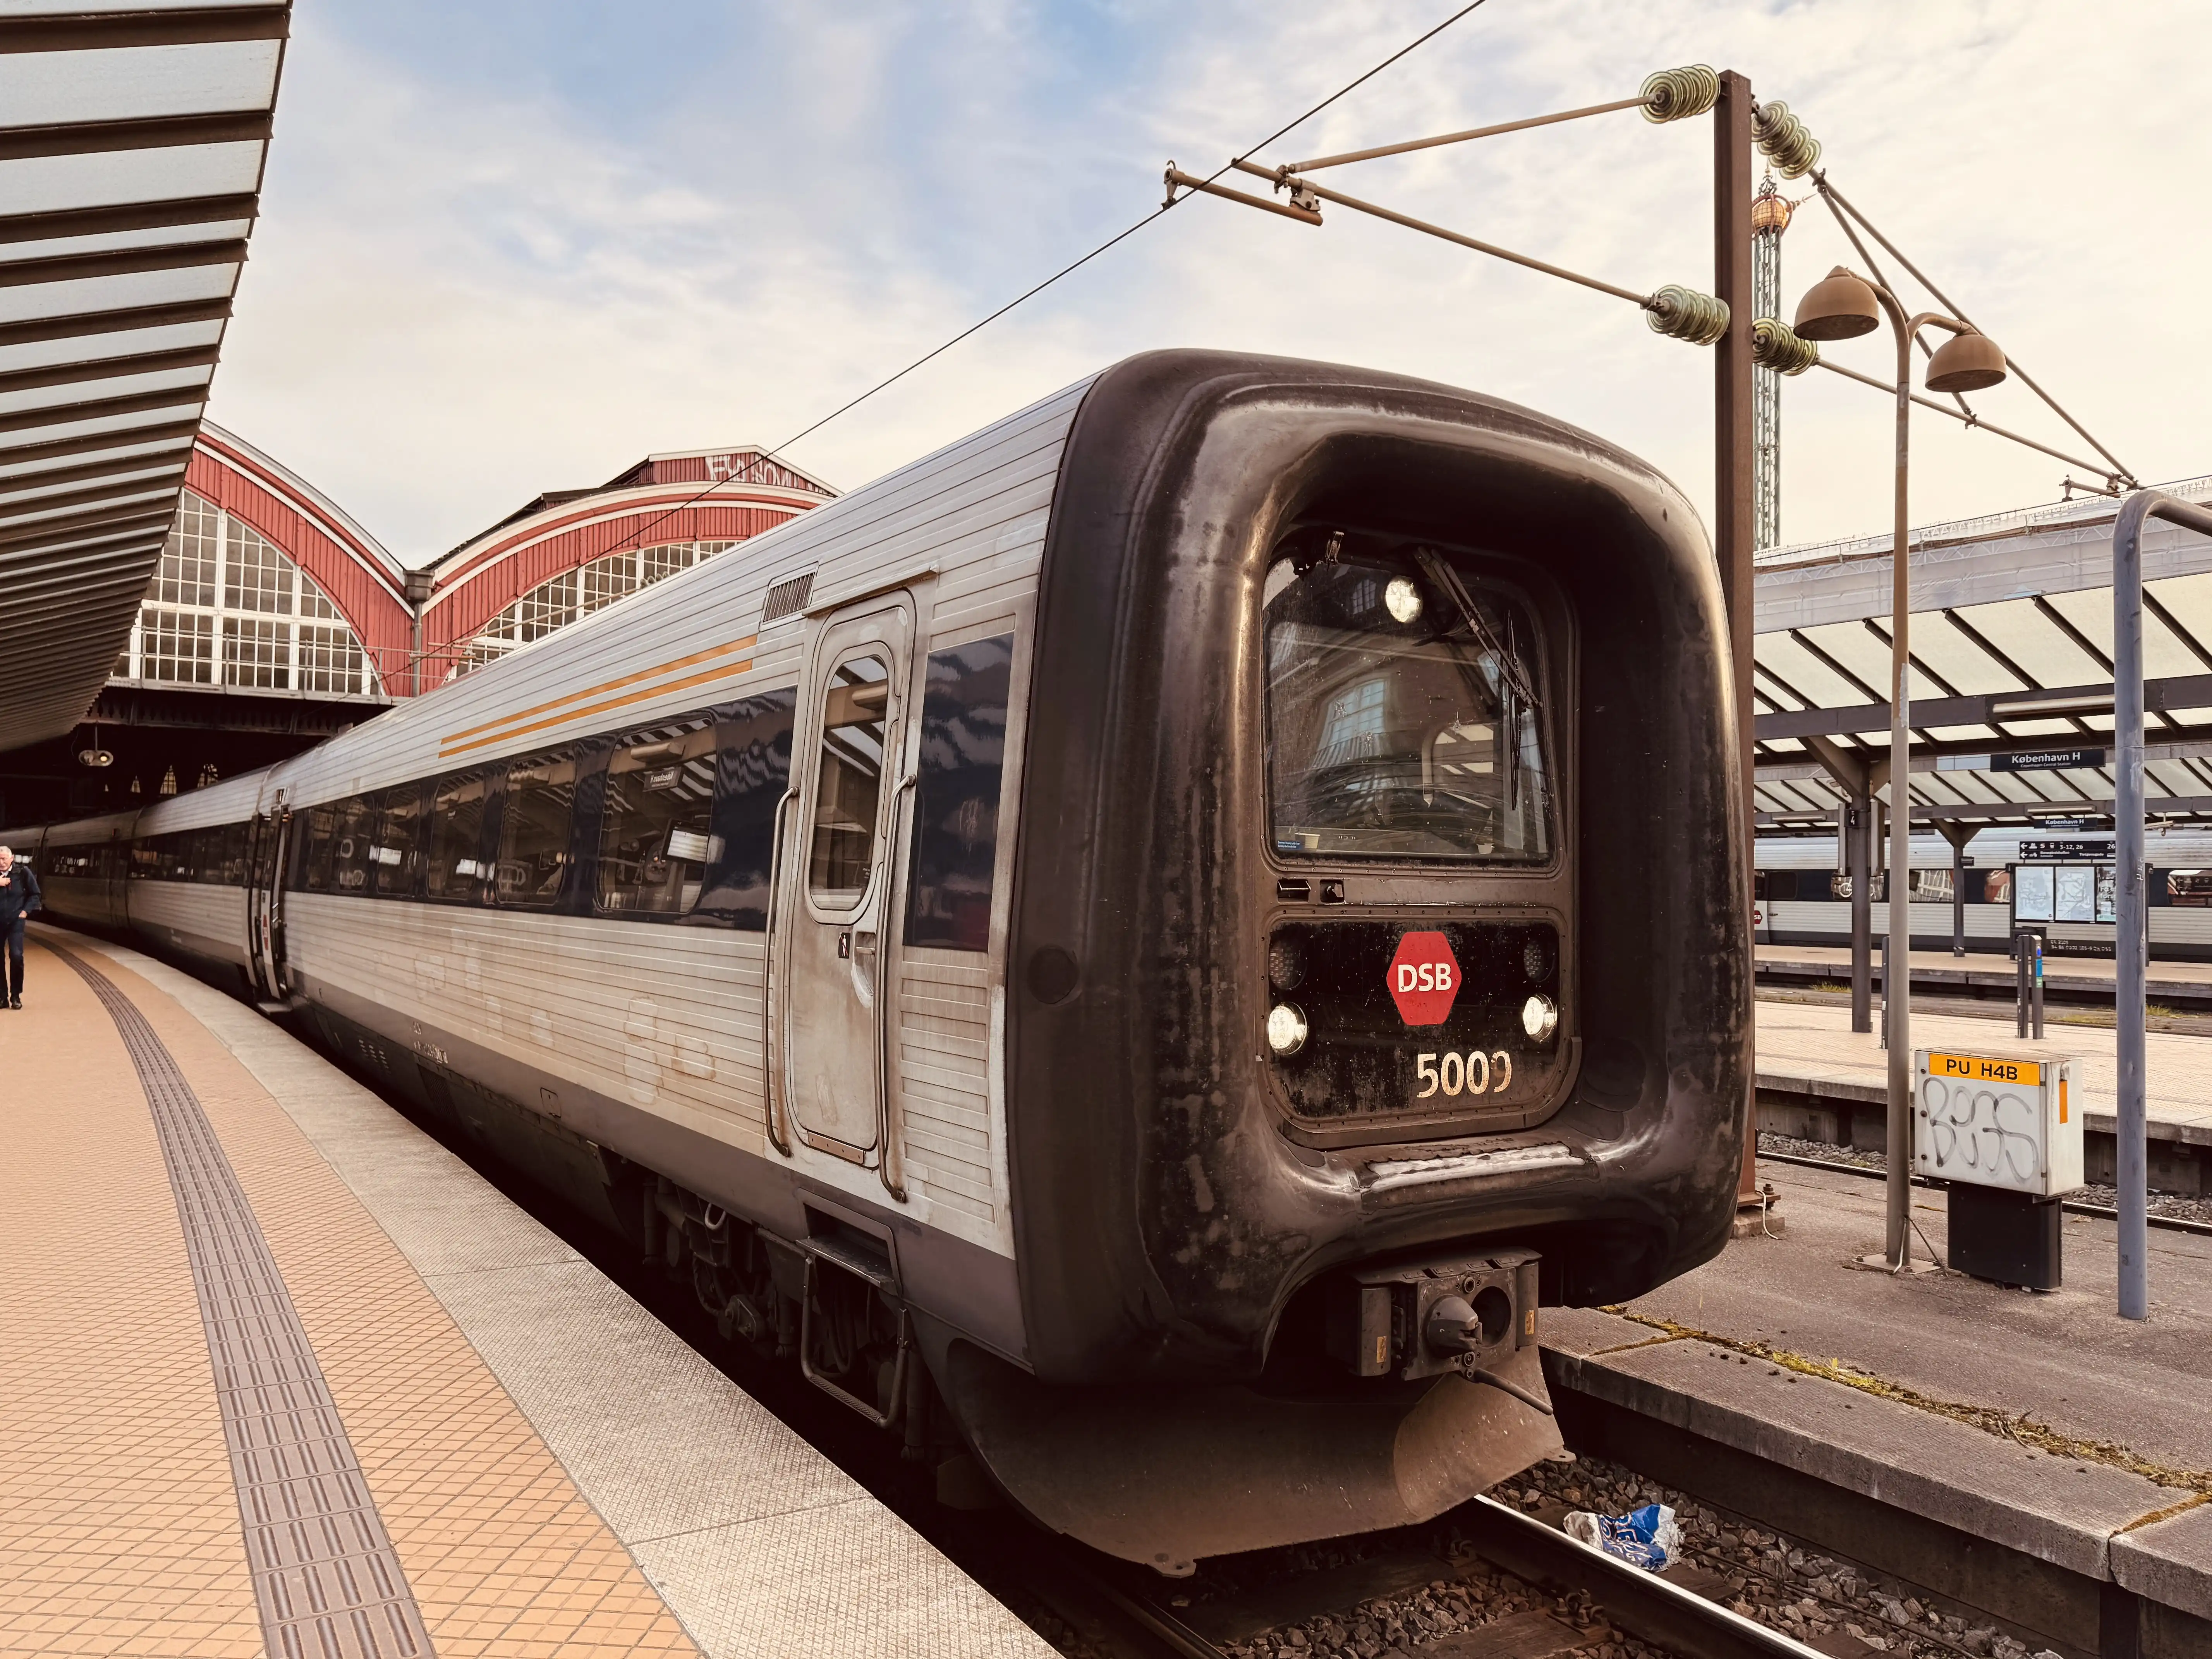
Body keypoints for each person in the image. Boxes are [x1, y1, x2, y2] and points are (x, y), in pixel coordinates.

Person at [0, 844, 40, 1010]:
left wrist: (25, 911)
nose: (1, 862)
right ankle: (2, 997)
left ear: (11, 859)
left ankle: (16, 995)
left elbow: (35, 894)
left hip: (16, 920)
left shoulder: (22, 873)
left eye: (3, 859)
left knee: (16, 956)